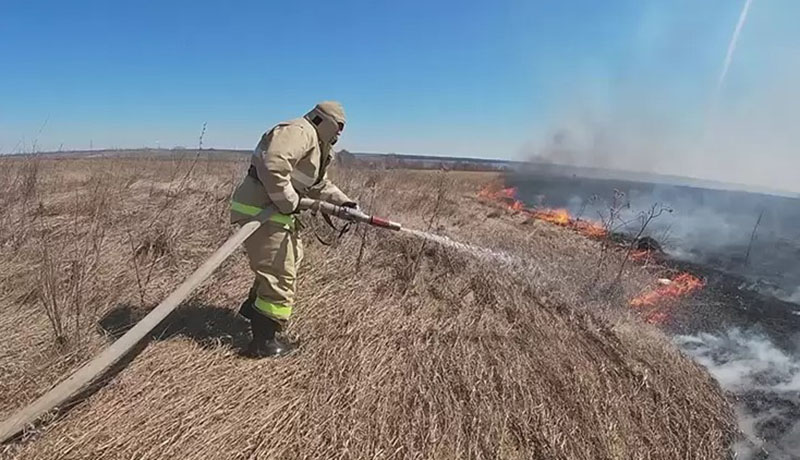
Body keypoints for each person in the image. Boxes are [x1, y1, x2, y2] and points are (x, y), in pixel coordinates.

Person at [229, 101, 357, 358]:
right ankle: (263, 343)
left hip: (275, 211)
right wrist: (289, 201)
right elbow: (273, 165)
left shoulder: (317, 145)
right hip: (262, 210)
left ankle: (253, 310)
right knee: (280, 272)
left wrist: (344, 203)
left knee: (290, 260)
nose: (340, 133)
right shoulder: (300, 131)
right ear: (324, 120)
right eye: (339, 126)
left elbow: (318, 184)